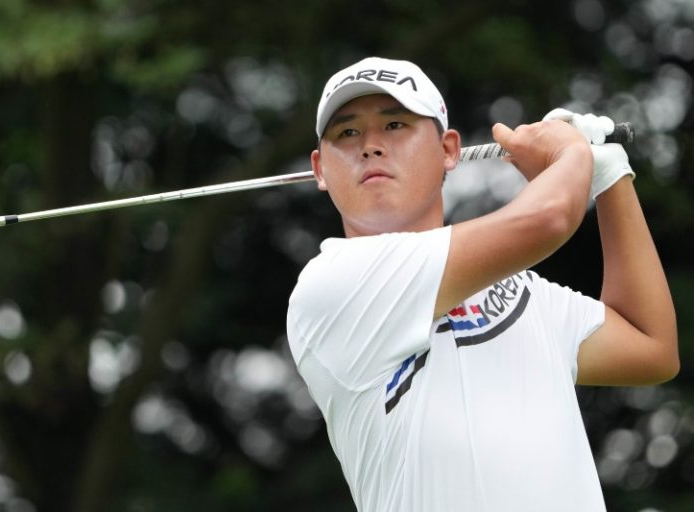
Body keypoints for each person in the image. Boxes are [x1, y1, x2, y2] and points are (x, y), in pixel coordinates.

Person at [285, 57, 678, 511]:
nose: (371, 146)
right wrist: (572, 154)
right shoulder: (332, 283)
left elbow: (650, 347)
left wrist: (610, 177)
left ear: (449, 150)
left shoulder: (521, 292)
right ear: (320, 168)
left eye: (394, 125)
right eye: (348, 132)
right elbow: (548, 218)